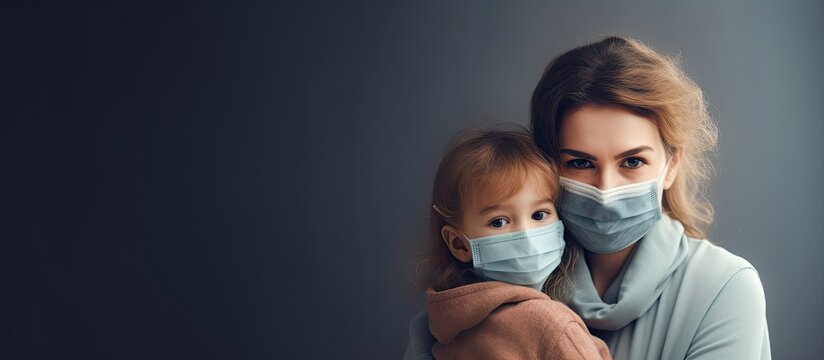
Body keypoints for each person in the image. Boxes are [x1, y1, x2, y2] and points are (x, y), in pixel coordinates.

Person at [405, 36, 770, 360]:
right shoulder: (483, 291)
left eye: (632, 161)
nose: (606, 190)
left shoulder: (724, 288)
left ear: (671, 165)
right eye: (580, 163)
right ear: (547, 166)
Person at [414, 127, 611, 359]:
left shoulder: (448, 326)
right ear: (459, 244)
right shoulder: (553, 326)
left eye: (539, 215)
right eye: (498, 222)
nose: (526, 235)